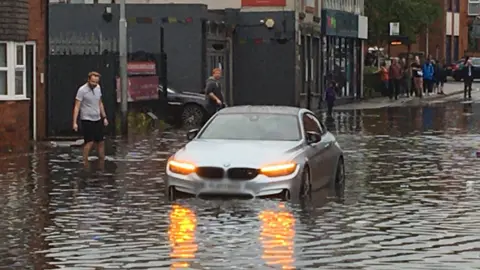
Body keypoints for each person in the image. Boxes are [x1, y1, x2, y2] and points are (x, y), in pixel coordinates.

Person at [72, 71, 109, 168]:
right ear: (88, 80)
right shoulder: (82, 90)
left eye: (96, 82)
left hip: (97, 118)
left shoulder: (98, 88)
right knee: (90, 141)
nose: (94, 84)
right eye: (92, 82)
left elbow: (100, 103)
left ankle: (102, 160)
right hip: (86, 119)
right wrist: (74, 122)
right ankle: (84, 160)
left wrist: (104, 117)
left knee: (101, 141)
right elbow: (77, 106)